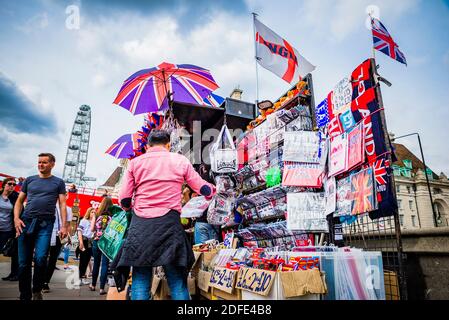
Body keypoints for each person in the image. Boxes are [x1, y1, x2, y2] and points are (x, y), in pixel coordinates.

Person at [117, 129, 216, 300]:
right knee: (177, 280)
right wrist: (211, 192)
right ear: (168, 144)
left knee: (141, 278)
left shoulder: (135, 163)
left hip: (141, 226)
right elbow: (202, 187)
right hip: (169, 225)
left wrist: (128, 208)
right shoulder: (180, 160)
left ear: (148, 146)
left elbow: (125, 199)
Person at [14, 153, 68, 300]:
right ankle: (24, 295)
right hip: (26, 222)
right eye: (39, 162)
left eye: (44, 162)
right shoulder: (29, 180)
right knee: (23, 263)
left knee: (41, 258)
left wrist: (64, 226)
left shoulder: (58, 182)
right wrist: (16, 219)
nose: (41, 165)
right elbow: (19, 201)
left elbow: (63, 204)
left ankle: (37, 289)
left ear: (52, 164)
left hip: (46, 224)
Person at [89, 197, 121, 295]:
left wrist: (95, 220)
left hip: (96, 241)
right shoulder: (114, 216)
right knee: (104, 265)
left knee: (96, 264)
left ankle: (93, 285)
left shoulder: (97, 214)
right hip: (106, 243)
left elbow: (91, 229)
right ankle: (102, 288)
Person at [42, 200, 73, 292]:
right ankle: (39, 278)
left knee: (52, 260)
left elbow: (68, 225)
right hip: (46, 234)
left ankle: (45, 282)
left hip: (59, 236)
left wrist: (68, 237)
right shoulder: (49, 205)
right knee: (41, 257)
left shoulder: (68, 209)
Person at [0, 177, 19, 281]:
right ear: (4, 185)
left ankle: (14, 274)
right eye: (9, 184)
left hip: (8, 229)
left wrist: (17, 229)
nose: (12, 186)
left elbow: (20, 213)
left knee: (14, 252)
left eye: (14, 184)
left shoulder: (16, 197)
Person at [76, 207, 94, 285]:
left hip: (91, 242)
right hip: (84, 241)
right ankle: (79, 278)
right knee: (82, 260)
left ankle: (83, 278)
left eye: (94, 212)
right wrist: (81, 242)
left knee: (87, 260)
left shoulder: (95, 222)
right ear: (89, 212)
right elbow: (79, 231)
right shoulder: (83, 221)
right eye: (92, 212)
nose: (93, 213)